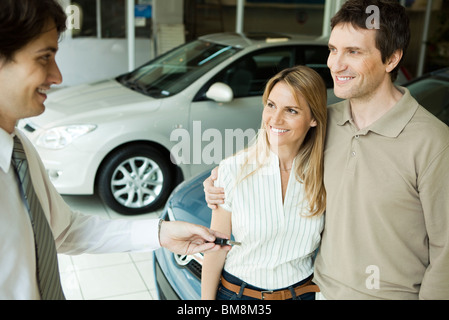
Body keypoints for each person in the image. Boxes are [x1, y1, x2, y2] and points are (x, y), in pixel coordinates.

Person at [204, 0, 449, 299]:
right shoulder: (323, 122)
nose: (335, 64)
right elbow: (265, 156)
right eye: (333, 49)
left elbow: (445, 252)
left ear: (391, 59)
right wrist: (217, 180)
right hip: (319, 292)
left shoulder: (434, 142)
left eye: (353, 52)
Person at [0, 0, 228, 300]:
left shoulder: (19, 149)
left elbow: (65, 231)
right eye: (44, 57)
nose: (57, 77)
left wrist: (161, 233)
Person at [201, 66, 327, 300]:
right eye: (271, 105)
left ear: (313, 119)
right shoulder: (233, 170)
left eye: (291, 110)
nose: (275, 119)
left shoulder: (325, 174)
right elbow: (215, 249)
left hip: (302, 295)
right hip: (239, 296)